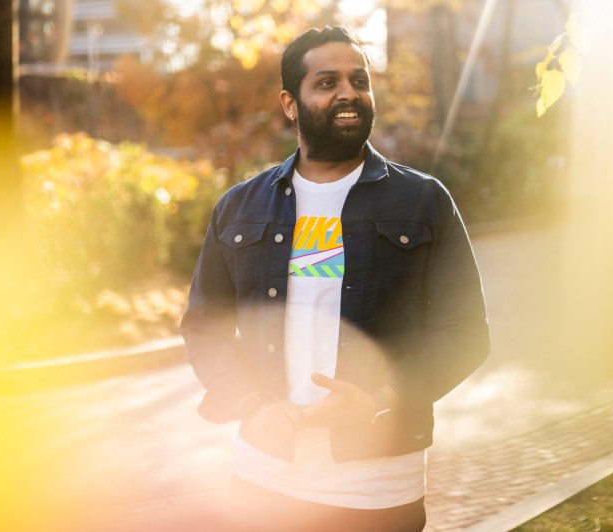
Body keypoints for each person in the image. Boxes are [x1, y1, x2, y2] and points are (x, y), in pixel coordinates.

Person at [181, 26, 490, 531]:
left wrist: (377, 400)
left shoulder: (423, 203)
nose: (348, 92)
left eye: (359, 80)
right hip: (263, 482)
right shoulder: (239, 208)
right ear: (290, 103)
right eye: (327, 82)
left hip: (377, 491)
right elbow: (205, 327)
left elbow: (465, 335)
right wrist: (250, 407)